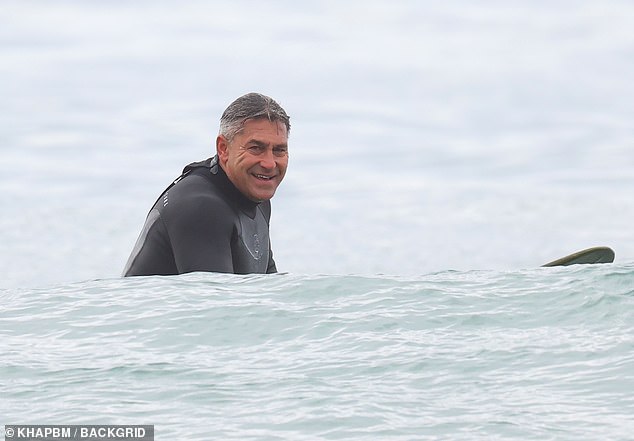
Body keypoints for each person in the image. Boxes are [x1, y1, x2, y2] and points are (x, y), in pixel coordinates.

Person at [122, 92, 290, 276]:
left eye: (279, 150)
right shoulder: (201, 207)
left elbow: (269, 291)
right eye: (256, 148)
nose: (269, 163)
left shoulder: (257, 198)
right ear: (223, 149)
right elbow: (215, 303)